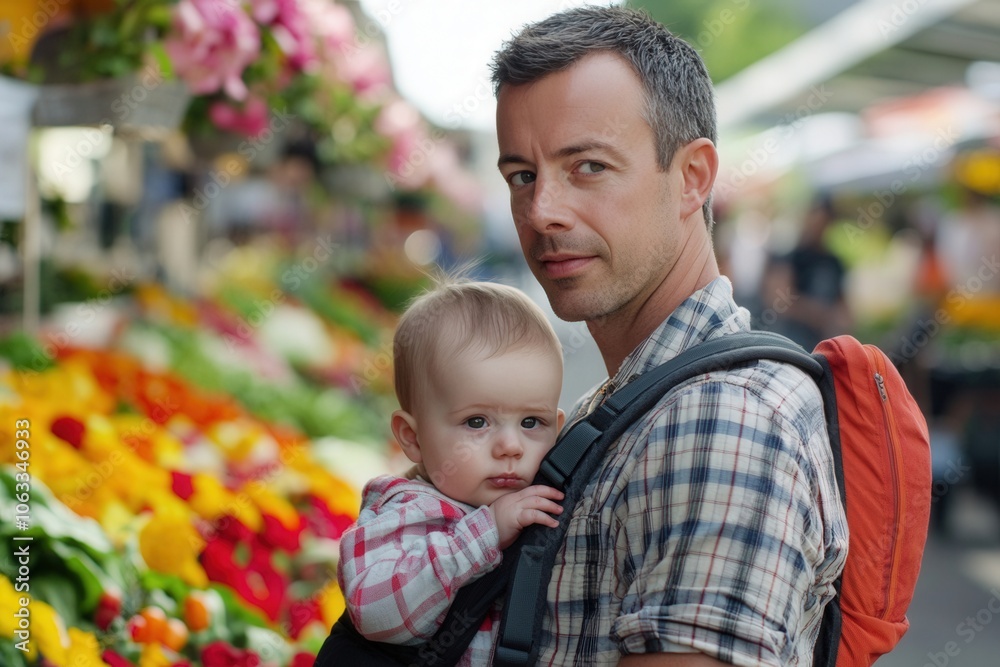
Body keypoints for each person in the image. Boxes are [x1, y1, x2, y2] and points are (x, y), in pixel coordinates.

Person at [492, 6, 848, 665]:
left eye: (588, 166)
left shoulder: (723, 421)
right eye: (522, 175)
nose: (542, 211)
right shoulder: (642, 396)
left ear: (692, 178)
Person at [337, 277, 567, 665]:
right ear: (413, 437)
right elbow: (374, 612)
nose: (511, 446)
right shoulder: (407, 512)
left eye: (532, 422)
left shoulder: (535, 503)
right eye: (477, 422)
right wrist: (482, 535)